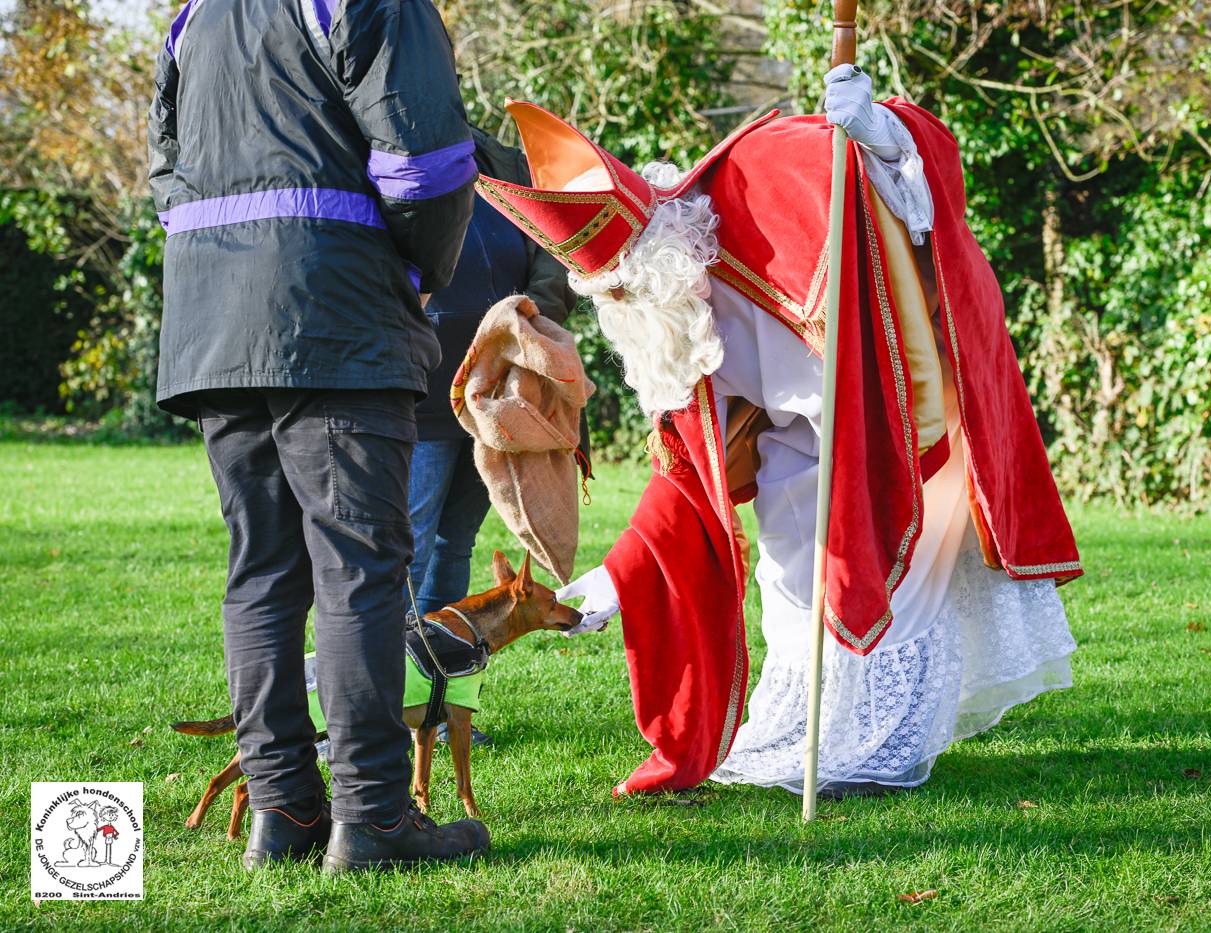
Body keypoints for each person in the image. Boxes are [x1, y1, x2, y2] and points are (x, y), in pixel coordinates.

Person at [490, 67, 1082, 796]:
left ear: (658, 253)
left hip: (902, 423)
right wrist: (616, 578)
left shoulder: (763, 170)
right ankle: (813, 734)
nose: (621, 305)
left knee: (884, 593)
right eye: (607, 294)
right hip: (798, 451)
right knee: (796, 590)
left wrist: (880, 133)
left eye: (623, 286)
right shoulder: (673, 324)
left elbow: (927, 185)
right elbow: (686, 474)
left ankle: (874, 748)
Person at [149, 0, 489, 871]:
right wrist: (418, 274)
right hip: (332, 316)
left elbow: (165, 171)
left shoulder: (197, 15)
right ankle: (373, 818)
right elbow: (431, 163)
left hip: (213, 321)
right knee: (361, 569)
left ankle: (286, 812)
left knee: (261, 570)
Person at [406, 124, 577, 746]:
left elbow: (551, 260)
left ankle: (439, 704)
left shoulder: (507, 165)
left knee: (453, 547)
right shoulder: (394, 156)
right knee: (411, 551)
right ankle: (390, 707)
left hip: (499, 397)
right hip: (419, 391)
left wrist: (524, 322)